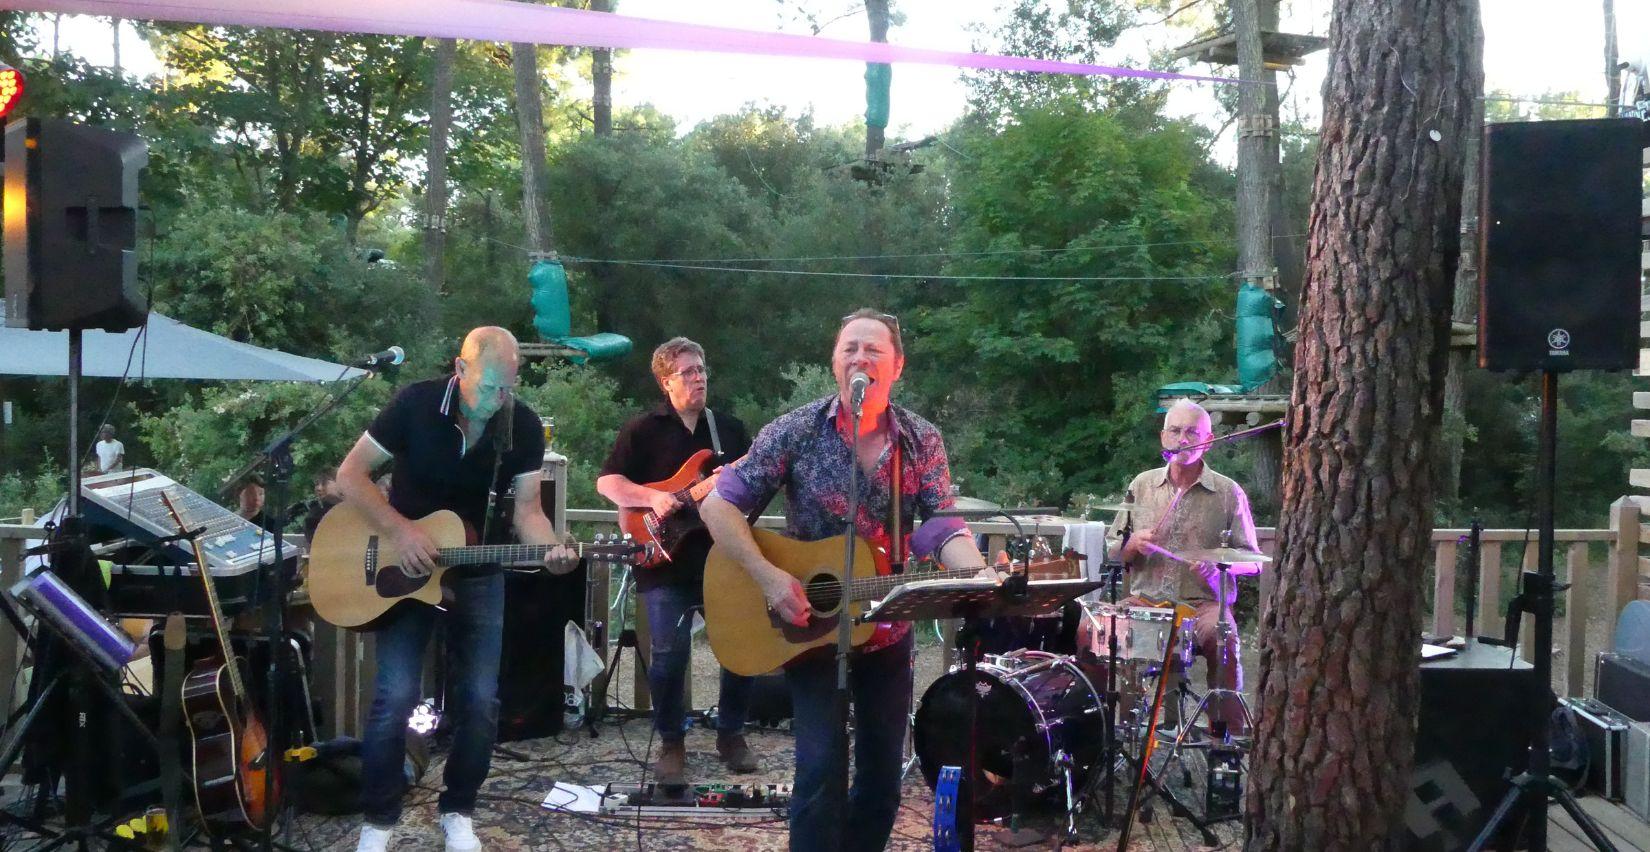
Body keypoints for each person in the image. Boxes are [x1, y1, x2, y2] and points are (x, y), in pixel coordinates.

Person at [700, 309, 991, 852]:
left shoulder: (921, 440)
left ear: (897, 366)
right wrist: (766, 577)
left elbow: (943, 523)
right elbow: (719, 507)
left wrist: (978, 571)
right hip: (809, 632)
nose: (860, 358)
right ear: (834, 362)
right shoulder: (794, 430)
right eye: (849, 348)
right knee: (818, 771)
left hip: (886, 633)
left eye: (873, 350)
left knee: (882, 776)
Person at [335, 326, 577, 852]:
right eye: (490, 386)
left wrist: (553, 551)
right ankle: (377, 821)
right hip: (400, 569)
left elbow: (528, 510)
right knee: (395, 695)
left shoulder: (524, 427)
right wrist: (401, 530)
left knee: (480, 699)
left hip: (478, 570)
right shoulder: (415, 405)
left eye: (508, 387)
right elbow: (350, 476)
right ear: (460, 369)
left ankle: (458, 809)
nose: (499, 399)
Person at [597, 337, 757, 785]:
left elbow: (755, 488)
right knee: (668, 655)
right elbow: (608, 484)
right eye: (688, 371)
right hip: (663, 557)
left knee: (741, 648)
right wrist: (655, 497)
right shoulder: (643, 429)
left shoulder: (728, 429)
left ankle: (732, 733)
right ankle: (671, 741)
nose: (699, 376)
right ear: (666, 381)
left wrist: (737, 489)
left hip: (722, 556)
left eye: (702, 368)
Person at [1107, 399, 1261, 737]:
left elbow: (1253, 561)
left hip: (1201, 606)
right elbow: (1114, 550)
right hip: (1146, 601)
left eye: (1192, 432)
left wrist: (1220, 568)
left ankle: (1226, 736)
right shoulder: (1142, 485)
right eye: (1175, 431)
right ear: (1163, 436)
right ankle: (1115, 730)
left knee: (1224, 637)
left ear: (1209, 438)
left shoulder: (1227, 492)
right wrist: (1131, 545)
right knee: (1094, 632)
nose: (1183, 439)